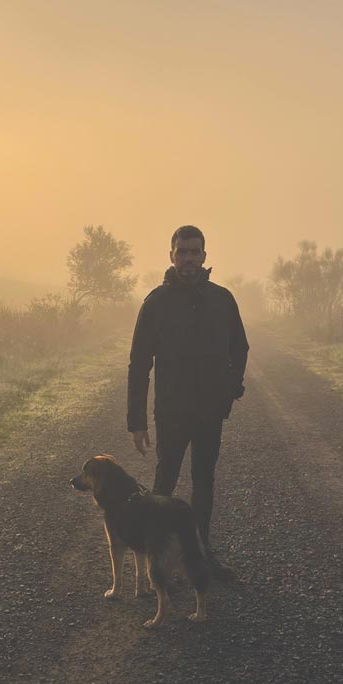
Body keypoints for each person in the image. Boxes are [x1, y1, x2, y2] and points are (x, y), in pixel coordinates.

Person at [127, 225, 249, 574]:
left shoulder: (222, 300)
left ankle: (201, 557)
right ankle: (158, 563)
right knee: (164, 485)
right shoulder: (156, 303)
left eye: (195, 252)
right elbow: (139, 364)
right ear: (171, 256)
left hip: (210, 411)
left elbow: (239, 347)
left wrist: (231, 385)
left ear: (205, 257)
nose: (189, 259)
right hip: (171, 412)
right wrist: (136, 422)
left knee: (204, 483)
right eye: (182, 253)